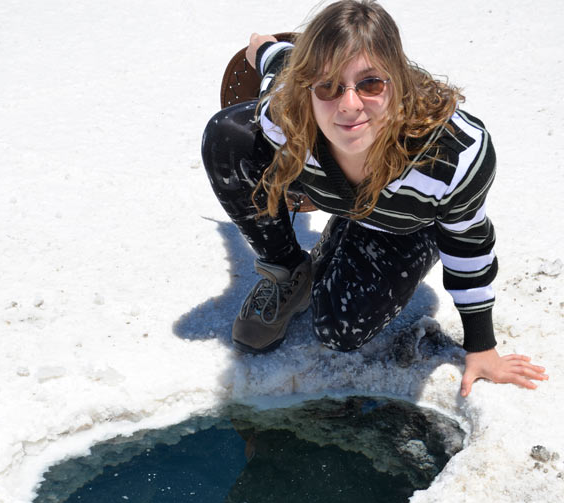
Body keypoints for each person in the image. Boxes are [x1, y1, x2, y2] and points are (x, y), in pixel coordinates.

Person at [201, 0, 547, 397]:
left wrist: (481, 345)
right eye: (328, 85)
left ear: (399, 82)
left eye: (370, 83)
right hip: (322, 176)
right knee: (228, 136)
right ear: (307, 87)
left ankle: (351, 227)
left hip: (406, 224)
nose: (349, 104)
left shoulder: (453, 154)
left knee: (339, 331)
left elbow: (467, 241)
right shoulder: (283, 114)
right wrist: (261, 47)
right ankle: (287, 269)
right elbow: (278, 64)